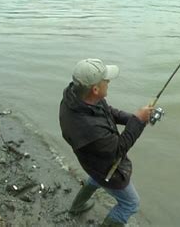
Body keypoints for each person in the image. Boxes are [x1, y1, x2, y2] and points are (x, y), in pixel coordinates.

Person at [59, 58, 153, 226]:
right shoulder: (89, 128)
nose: (109, 81)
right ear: (95, 89)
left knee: (95, 177)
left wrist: (135, 119)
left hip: (91, 161)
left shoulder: (77, 97)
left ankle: (76, 207)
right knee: (130, 204)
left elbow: (108, 112)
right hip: (105, 167)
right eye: (106, 80)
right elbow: (119, 148)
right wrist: (138, 121)